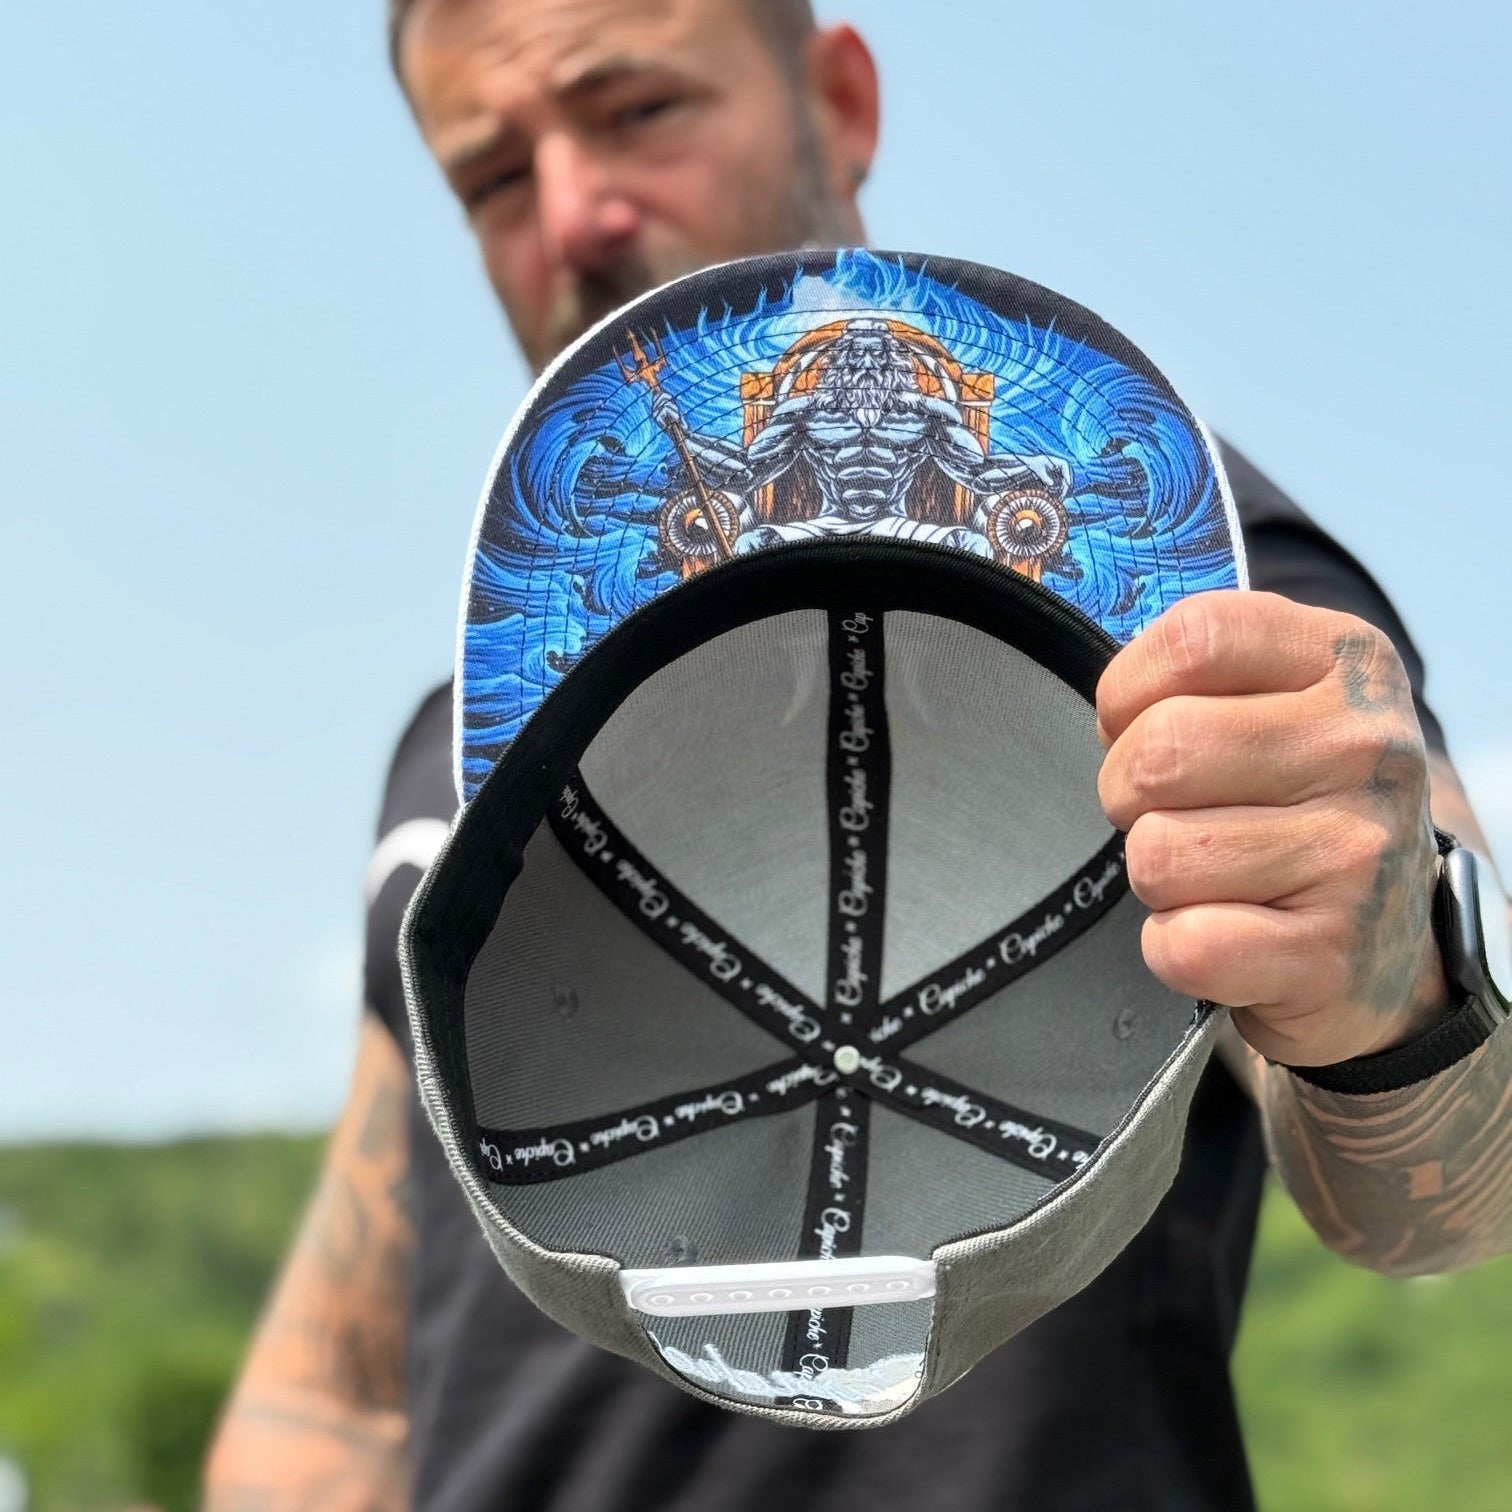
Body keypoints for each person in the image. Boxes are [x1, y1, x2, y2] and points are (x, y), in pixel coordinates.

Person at [203, 2, 1512, 1508]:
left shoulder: (1155, 561)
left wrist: (1395, 998)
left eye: (637, 109)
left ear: (838, 102)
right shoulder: (462, 732)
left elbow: (1453, 1193)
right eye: (494, 177)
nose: (571, 213)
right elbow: (343, 1380)